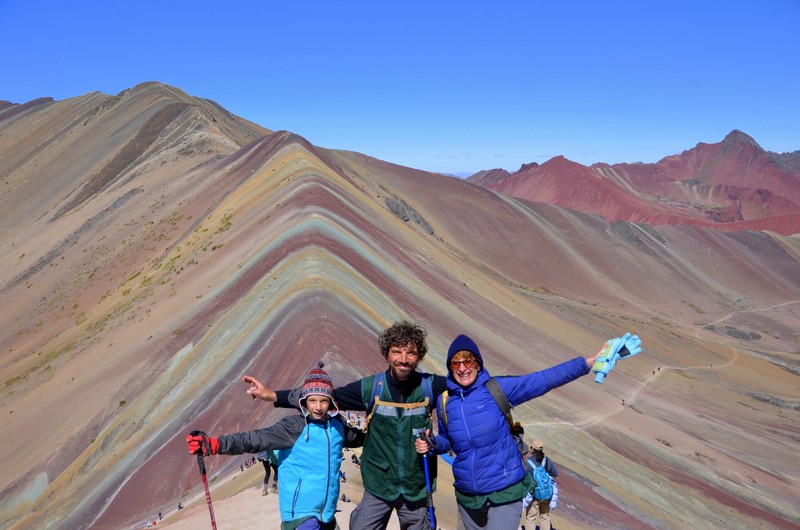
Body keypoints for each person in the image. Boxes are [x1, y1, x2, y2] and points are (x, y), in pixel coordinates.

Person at [242, 321, 448, 530]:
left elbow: (463, 384)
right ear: (387, 354)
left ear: (419, 356)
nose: (403, 359)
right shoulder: (371, 388)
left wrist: (436, 443)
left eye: (411, 353)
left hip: (416, 488)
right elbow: (324, 397)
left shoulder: (430, 386)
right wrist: (274, 396)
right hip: (379, 487)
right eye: (397, 352)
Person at [415, 333, 633, 530]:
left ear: (478, 364)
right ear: (450, 367)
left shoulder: (496, 389)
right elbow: (448, 441)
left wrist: (588, 362)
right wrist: (433, 444)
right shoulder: (445, 401)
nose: (462, 368)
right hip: (468, 497)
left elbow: (543, 380)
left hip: (504, 492)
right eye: (456, 363)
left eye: (468, 361)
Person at [187, 362, 364, 530]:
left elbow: (357, 438)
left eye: (323, 401)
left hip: (327, 514)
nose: (318, 407)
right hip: (300, 514)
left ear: (331, 402)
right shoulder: (293, 427)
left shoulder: (337, 426)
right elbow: (255, 439)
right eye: (312, 400)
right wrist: (215, 444)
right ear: (304, 401)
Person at [522, 439, 558, 530]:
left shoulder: (528, 463)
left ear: (532, 449)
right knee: (545, 517)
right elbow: (555, 473)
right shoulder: (547, 460)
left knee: (530, 518)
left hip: (536, 495)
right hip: (547, 495)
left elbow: (524, 478)